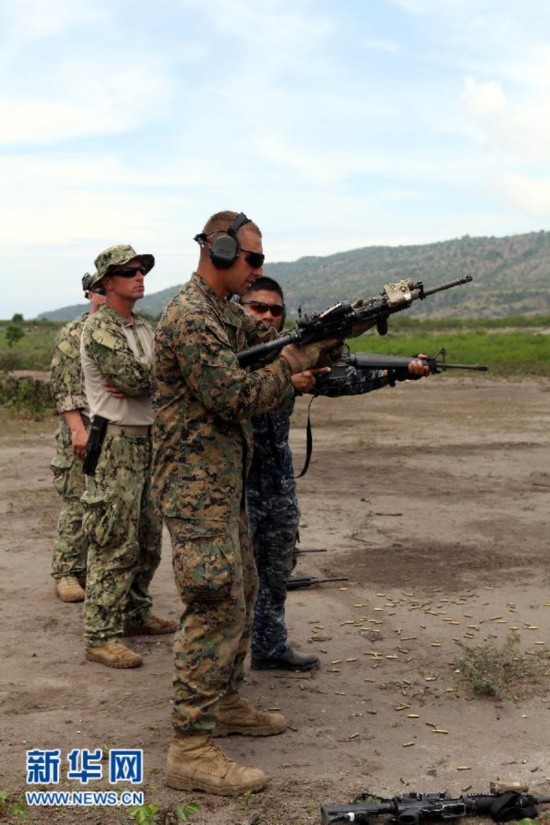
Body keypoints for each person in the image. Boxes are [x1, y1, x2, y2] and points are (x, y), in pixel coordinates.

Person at [152, 211, 341, 796]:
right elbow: (234, 393)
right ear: (223, 250)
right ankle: (189, 746)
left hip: (220, 481)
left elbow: (270, 347)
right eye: (253, 260)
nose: (259, 271)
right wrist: (292, 370)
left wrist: (333, 332)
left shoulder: (225, 314)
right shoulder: (189, 318)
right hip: (193, 483)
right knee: (213, 603)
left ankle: (226, 702)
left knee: (245, 588)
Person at [240, 277, 429, 673]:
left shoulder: (293, 354)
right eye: (258, 307)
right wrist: (285, 380)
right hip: (233, 484)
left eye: (276, 309)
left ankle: (269, 647)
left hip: (276, 482)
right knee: (233, 579)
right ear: (238, 308)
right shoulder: (228, 355)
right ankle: (222, 667)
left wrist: (398, 372)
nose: (268, 315)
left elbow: (341, 380)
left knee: (276, 569)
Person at [80, 244, 176, 670]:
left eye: (142, 270)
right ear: (106, 282)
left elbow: (154, 378)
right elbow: (133, 378)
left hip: (148, 439)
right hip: (116, 442)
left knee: (148, 538)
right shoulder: (101, 328)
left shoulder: (143, 328)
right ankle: (100, 635)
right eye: (129, 271)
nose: (140, 277)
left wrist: (154, 380)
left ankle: (135, 613)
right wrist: (157, 379)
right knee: (114, 541)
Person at [49, 274, 105, 602]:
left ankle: (90, 570)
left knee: (105, 504)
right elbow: (64, 387)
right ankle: (67, 572)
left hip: (113, 428)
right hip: (81, 426)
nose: (102, 295)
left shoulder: (123, 331)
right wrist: (77, 429)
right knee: (77, 500)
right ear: (89, 293)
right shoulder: (73, 333)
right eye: (97, 290)